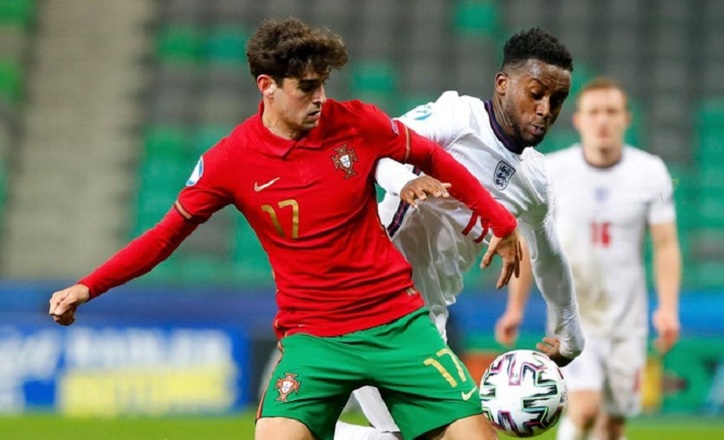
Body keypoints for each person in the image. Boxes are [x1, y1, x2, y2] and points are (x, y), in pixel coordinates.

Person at [48, 18, 524, 440]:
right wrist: (89, 286)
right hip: (313, 338)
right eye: (306, 87)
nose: (321, 98)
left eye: (323, 85)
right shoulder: (229, 161)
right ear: (267, 86)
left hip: (397, 322)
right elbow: (164, 235)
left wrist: (500, 222)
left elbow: (433, 156)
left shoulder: (357, 122)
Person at [335, 28, 585, 440]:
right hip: (377, 298)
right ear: (503, 84)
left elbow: (549, 256)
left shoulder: (535, 181)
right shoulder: (456, 118)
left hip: (427, 317)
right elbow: (372, 148)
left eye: (556, 100)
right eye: (536, 93)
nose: (545, 109)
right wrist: (403, 181)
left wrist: (570, 334)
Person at [505, 77, 682, 440]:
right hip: (573, 314)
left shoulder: (651, 173)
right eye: (594, 112)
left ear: (626, 119)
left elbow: (665, 244)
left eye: (611, 112)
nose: (603, 120)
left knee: (613, 424)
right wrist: (515, 308)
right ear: (579, 120)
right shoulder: (552, 171)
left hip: (627, 320)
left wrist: (668, 308)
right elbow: (529, 240)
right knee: (584, 408)